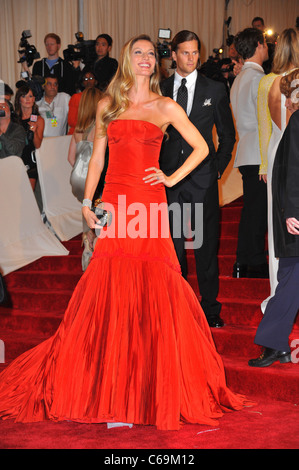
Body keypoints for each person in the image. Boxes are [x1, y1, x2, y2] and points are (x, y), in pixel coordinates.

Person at [0, 34, 252, 431]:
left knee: (153, 286)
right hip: (116, 204)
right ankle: (112, 384)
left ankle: (147, 386)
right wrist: (86, 202)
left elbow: (203, 147)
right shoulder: (108, 105)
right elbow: (98, 157)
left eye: (151, 54)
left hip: (149, 205)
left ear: (157, 61)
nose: (146, 59)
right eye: (139, 53)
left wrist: (171, 177)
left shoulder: (165, 105)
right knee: (111, 287)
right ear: (127, 58)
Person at [159, 30, 236, 328]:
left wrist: (217, 167)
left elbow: (227, 136)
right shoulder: (161, 88)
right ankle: (176, 306)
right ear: (174, 54)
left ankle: (210, 309)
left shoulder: (215, 89)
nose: (191, 58)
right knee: (174, 248)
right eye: (185, 53)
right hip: (170, 180)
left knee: (205, 248)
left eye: (195, 53)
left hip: (203, 179)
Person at [249, 69, 299, 367]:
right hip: (293, 216)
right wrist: (293, 212)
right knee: (290, 276)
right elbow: (291, 174)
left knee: (290, 277)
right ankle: (274, 342)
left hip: (291, 214)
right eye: (292, 92)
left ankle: (274, 342)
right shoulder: (296, 124)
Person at [257, 28, 299, 312]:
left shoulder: (267, 82)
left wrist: (263, 163)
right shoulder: (295, 81)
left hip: (274, 153)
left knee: (276, 228)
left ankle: (277, 293)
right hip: (293, 153)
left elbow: (265, 128)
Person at [230, 28, 269, 279]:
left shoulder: (239, 79)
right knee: (257, 212)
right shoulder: (259, 79)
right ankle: (252, 260)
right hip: (260, 154)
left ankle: (243, 261)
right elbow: (267, 122)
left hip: (247, 150)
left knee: (251, 211)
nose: (267, 47)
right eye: (265, 43)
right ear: (258, 45)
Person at [67, 87, 105, 271]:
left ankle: (87, 242)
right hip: (94, 178)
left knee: (86, 207)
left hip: (76, 178)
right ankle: (95, 247)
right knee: (96, 211)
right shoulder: (99, 127)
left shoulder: (78, 129)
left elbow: (70, 159)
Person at [14, 84, 45, 191]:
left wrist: (35, 131)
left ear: (34, 99)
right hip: (15, 159)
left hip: (31, 161)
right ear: (19, 100)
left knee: (28, 193)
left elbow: (38, 144)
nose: (28, 99)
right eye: (24, 96)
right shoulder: (13, 119)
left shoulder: (39, 119)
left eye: (30, 96)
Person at [67, 67, 98, 135]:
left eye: (91, 78)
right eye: (85, 79)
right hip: (77, 134)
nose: (88, 81)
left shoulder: (101, 97)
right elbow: (71, 121)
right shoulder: (76, 97)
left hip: (95, 134)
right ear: (82, 82)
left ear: (96, 81)